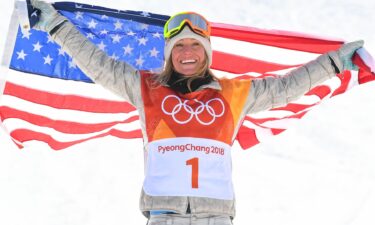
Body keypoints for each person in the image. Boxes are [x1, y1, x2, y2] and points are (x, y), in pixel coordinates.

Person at [30, 1, 364, 224]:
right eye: (179, 46)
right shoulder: (145, 87)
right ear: (169, 54)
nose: (187, 52)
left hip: (216, 218)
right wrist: (56, 25)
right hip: (163, 215)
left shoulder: (236, 94)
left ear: (206, 53)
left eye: (194, 46)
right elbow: (98, 64)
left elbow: (287, 87)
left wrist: (333, 63)